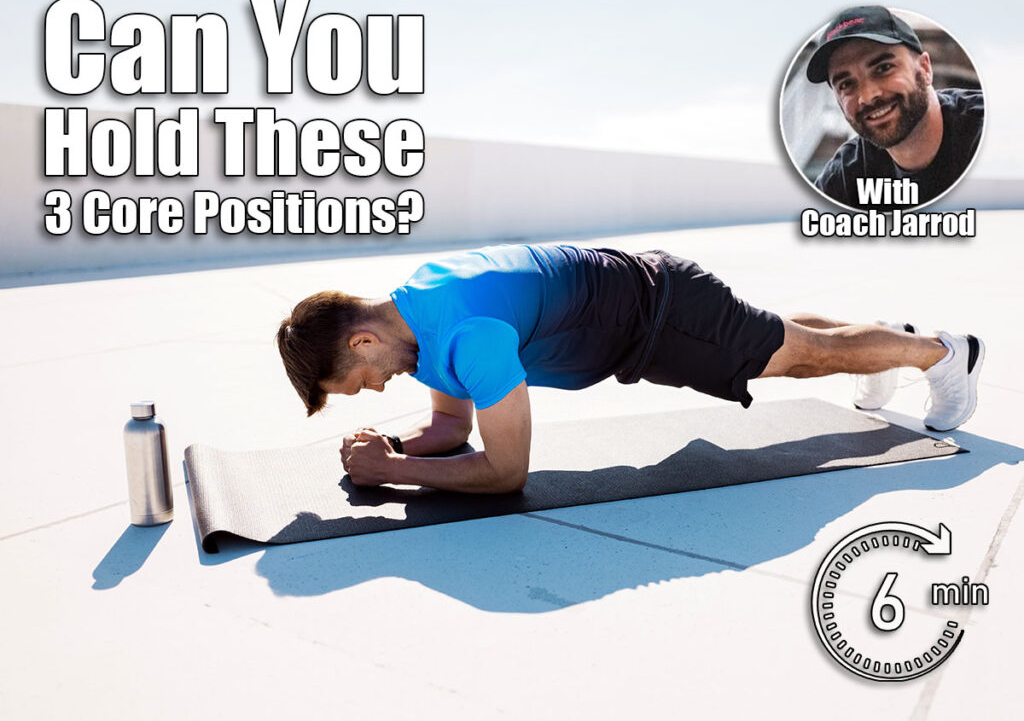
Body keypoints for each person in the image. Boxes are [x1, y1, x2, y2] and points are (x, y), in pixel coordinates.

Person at [276, 244, 984, 494]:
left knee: (798, 358)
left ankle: (944, 353)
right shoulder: (420, 313)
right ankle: (896, 340)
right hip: (646, 297)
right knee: (786, 337)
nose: (374, 389)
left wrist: (395, 473)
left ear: (363, 341)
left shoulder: (467, 334)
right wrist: (393, 449)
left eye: (357, 380)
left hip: (661, 315)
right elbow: (451, 425)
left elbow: (504, 473)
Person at [805, 5, 983, 210]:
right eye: (846, 84)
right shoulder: (844, 177)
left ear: (925, 69)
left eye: (883, 68)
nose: (868, 96)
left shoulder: (985, 131)